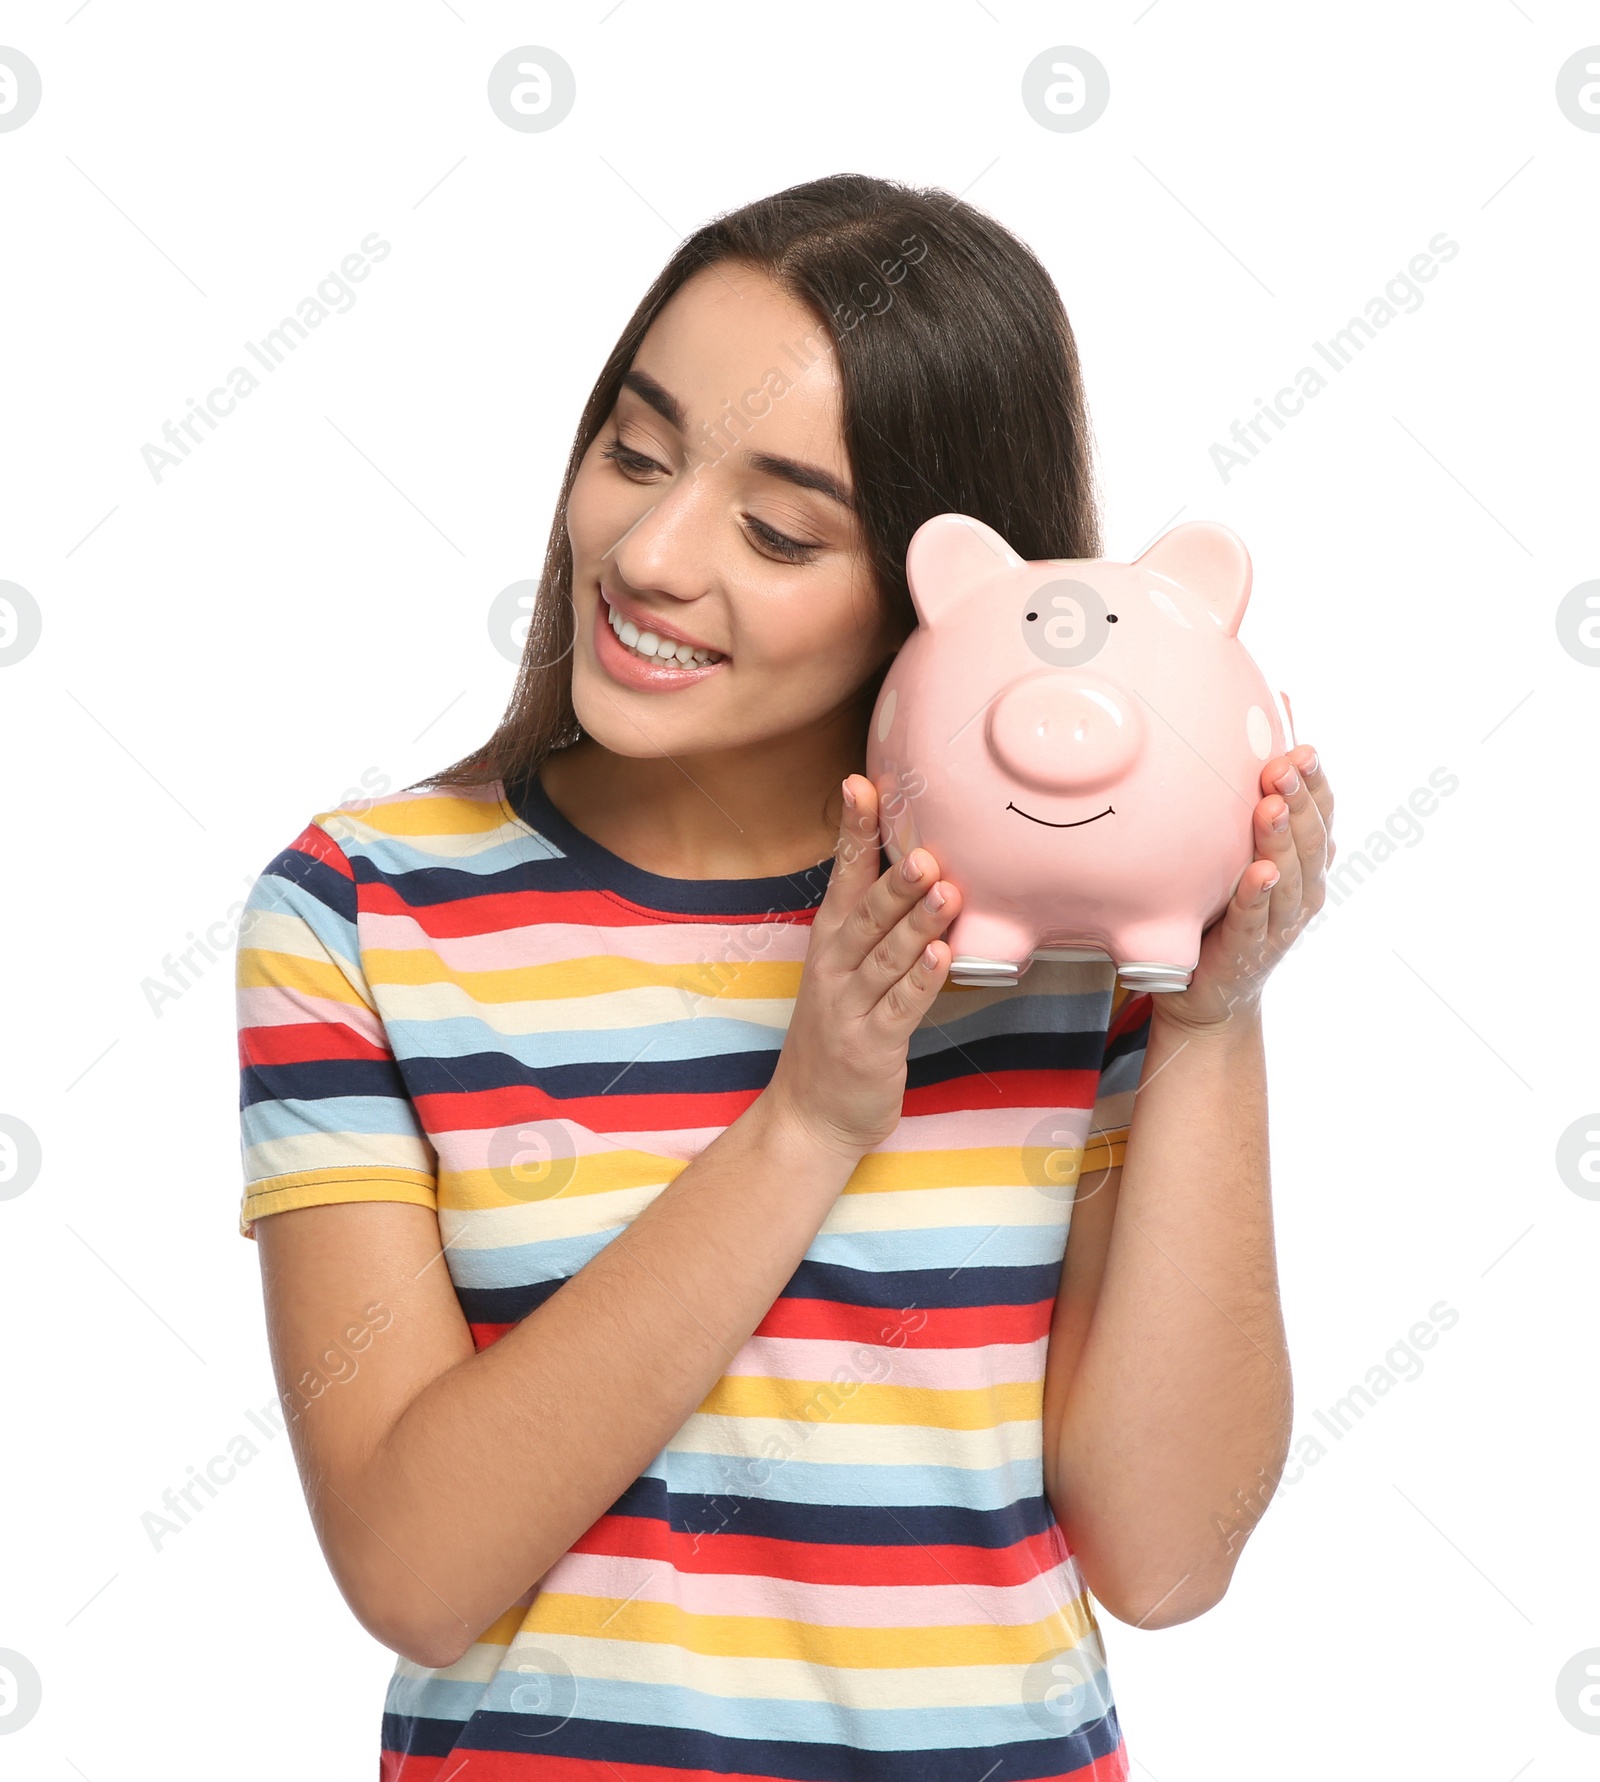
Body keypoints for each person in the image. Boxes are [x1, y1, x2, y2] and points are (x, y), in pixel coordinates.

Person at [236, 172, 1334, 1780]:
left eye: (776, 528)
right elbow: (414, 1565)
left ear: (927, 589)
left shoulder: (1079, 959)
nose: (653, 551)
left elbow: (1166, 1557)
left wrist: (1213, 1018)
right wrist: (807, 1118)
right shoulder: (363, 912)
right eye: (635, 448)